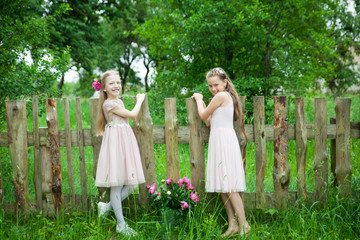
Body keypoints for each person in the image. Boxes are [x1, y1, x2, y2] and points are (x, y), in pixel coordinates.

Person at [192, 67, 251, 237]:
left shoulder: (222, 96)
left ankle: (244, 224)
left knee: (230, 185)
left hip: (224, 141)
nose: (213, 88)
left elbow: (203, 115)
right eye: (210, 85)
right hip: (218, 140)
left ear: (225, 82)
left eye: (216, 84)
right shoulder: (220, 97)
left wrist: (198, 99)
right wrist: (203, 102)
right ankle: (232, 224)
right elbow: (209, 121)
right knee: (222, 186)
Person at [94, 70, 146, 237]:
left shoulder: (118, 101)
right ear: (104, 88)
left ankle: (106, 207)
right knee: (117, 184)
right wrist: (140, 100)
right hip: (116, 145)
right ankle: (121, 225)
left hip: (124, 143)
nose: (116, 85)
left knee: (131, 185)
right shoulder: (109, 104)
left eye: (118, 82)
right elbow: (132, 115)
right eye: (111, 83)